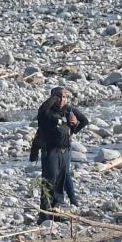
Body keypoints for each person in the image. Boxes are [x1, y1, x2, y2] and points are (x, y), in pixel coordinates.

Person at [28, 86, 87, 220]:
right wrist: (57, 95)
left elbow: (84, 121)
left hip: (65, 151)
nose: (61, 100)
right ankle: (44, 214)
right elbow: (42, 108)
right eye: (58, 97)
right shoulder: (46, 113)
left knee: (60, 182)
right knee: (49, 182)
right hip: (50, 152)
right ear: (52, 98)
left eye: (64, 97)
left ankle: (57, 213)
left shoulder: (68, 111)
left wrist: (73, 128)